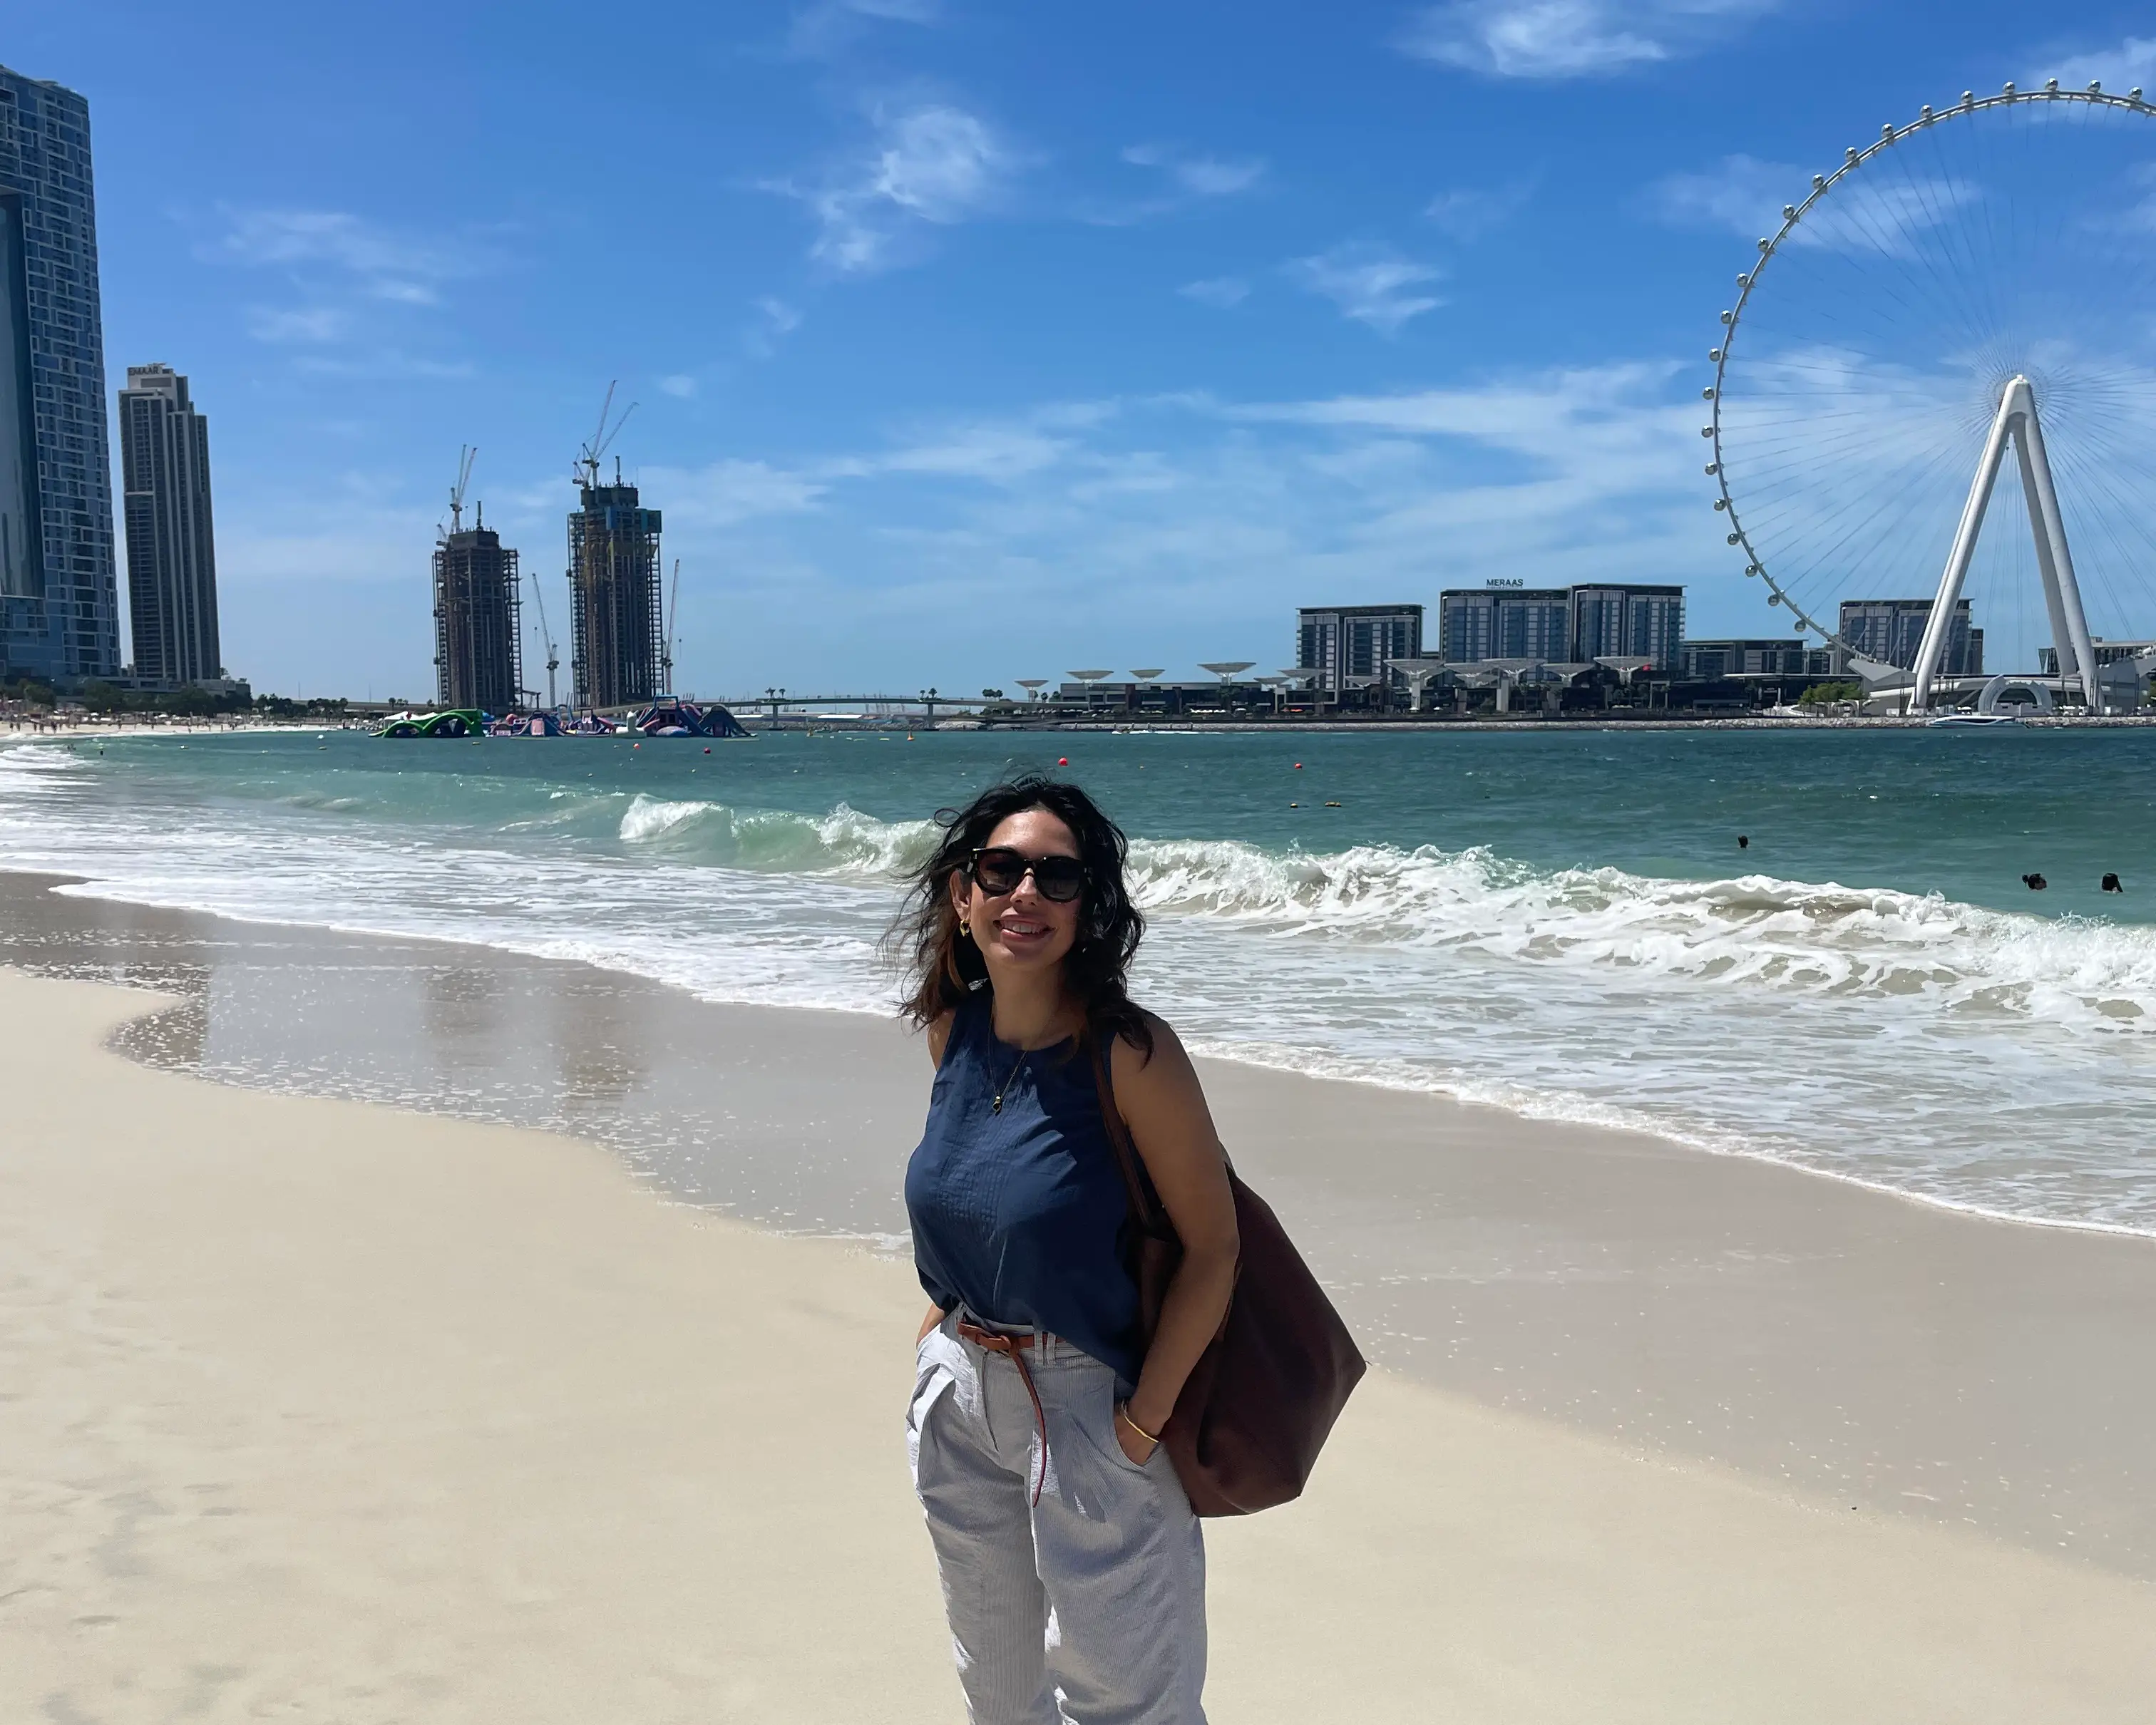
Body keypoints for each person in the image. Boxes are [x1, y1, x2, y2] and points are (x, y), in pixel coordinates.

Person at [892, 774, 1239, 1724]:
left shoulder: (1132, 1053)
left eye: (1057, 877)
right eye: (1001, 870)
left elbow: (1214, 1249)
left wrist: (1141, 1425)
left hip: (1091, 1404)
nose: (1026, 896)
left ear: (1091, 908)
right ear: (962, 896)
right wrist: (936, 1343)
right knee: (997, 1692)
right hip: (961, 1396)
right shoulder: (950, 1031)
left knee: (1129, 1702)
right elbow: (971, 1199)